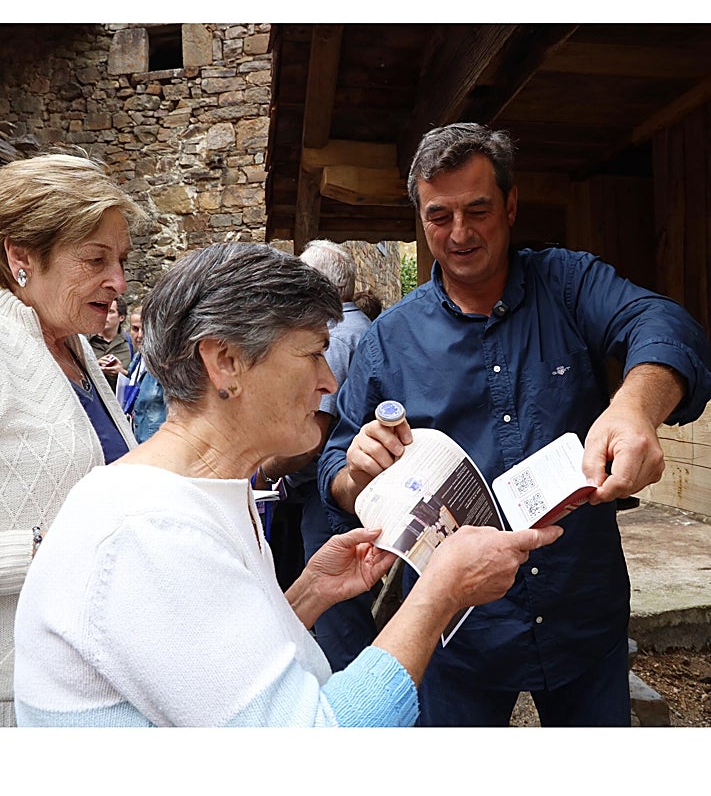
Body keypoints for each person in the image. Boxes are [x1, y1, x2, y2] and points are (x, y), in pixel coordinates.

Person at [13, 242, 562, 727]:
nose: (328, 381)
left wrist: (306, 596)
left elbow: (210, 680)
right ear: (226, 360)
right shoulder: (150, 533)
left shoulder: (202, 495)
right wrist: (438, 593)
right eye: (312, 352)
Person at [318, 122, 711, 727]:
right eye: (439, 216)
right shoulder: (389, 339)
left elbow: (662, 323)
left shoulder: (569, 284)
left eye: (478, 209)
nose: (460, 233)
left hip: (582, 610)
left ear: (511, 203)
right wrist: (356, 473)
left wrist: (636, 404)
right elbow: (336, 467)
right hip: (457, 633)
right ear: (420, 219)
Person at [0, 152, 145, 726]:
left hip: (88, 681)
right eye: (95, 260)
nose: (119, 283)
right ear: (21, 257)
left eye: (121, 260)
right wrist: (48, 550)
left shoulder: (73, 347)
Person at [257, 239, 375, 667]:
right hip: (347, 488)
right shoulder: (361, 329)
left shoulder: (337, 339)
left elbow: (315, 436)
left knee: (338, 622)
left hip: (327, 495)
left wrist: (263, 473)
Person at [123, 303, 166, 443]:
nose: (140, 335)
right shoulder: (137, 359)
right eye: (135, 329)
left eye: (145, 329)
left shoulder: (165, 364)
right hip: (135, 439)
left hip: (157, 442)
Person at [88, 294, 132, 392]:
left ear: (121, 317)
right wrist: (94, 367)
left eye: (110, 312)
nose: (104, 315)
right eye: (102, 310)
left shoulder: (131, 344)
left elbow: (138, 380)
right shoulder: (85, 342)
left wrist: (122, 372)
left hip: (120, 402)